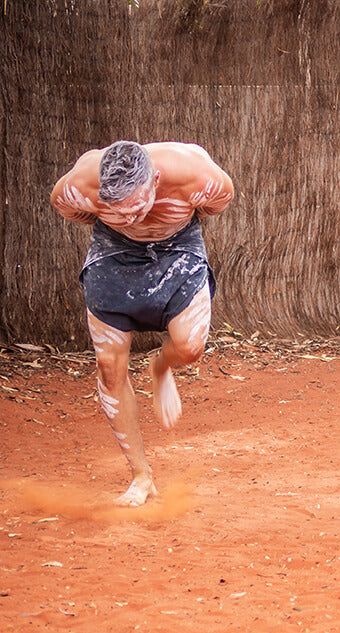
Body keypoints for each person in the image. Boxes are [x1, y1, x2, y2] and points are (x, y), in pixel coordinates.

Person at [50, 141, 234, 506]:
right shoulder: (82, 181)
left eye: (137, 208)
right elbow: (67, 207)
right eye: (119, 209)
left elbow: (215, 206)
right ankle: (141, 476)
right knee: (108, 368)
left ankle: (160, 367)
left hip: (178, 245)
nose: (132, 217)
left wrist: (169, 223)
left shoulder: (195, 174)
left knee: (190, 347)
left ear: (157, 180)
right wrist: (119, 226)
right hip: (113, 252)